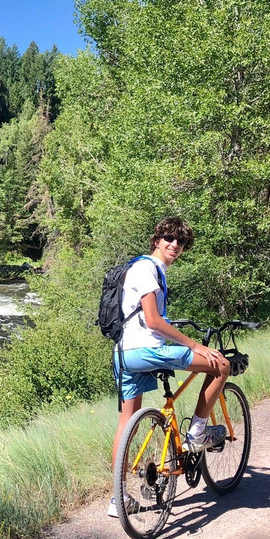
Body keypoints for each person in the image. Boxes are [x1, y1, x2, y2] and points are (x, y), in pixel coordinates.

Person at [108, 216, 230, 517]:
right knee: (221, 366)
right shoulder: (148, 269)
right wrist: (194, 344)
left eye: (181, 242)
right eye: (168, 239)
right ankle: (198, 434)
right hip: (147, 351)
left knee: (126, 424)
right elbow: (152, 321)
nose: (175, 245)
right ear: (156, 240)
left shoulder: (142, 269)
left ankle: (118, 500)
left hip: (124, 354)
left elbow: (143, 318)